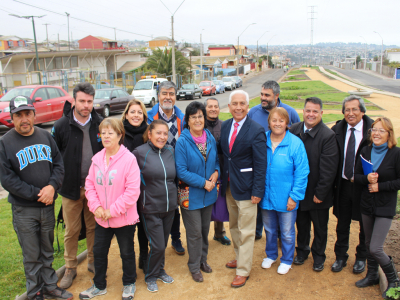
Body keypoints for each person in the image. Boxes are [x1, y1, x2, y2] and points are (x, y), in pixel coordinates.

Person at [0, 96, 72, 300]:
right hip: (24, 209)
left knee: (47, 250)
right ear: (12, 118)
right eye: (19, 115)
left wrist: (52, 187)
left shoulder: (45, 136)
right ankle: (34, 293)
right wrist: (38, 194)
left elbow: (58, 164)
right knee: (31, 255)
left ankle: (50, 286)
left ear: (34, 114)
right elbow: (8, 180)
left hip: (47, 206)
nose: (24, 119)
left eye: (27, 113)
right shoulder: (5, 143)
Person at [80, 118, 140, 300]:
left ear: (119, 135)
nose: (106, 136)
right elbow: (89, 184)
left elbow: (132, 192)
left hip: (123, 218)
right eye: (103, 133)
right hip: (101, 218)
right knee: (98, 252)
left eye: (110, 133)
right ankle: (99, 285)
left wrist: (111, 211)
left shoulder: (129, 160)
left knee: (126, 252)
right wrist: (96, 206)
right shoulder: (97, 158)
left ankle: (129, 284)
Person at [52, 82, 103, 289]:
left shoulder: (99, 123)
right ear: (74, 100)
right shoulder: (61, 125)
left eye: (89, 101)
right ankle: (70, 267)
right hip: (70, 188)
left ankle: (91, 260)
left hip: (94, 189)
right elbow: (54, 157)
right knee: (72, 230)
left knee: (92, 227)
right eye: (82, 101)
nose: (86, 105)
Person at [220, 90, 267, 288]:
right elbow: (225, 157)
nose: (238, 107)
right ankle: (240, 258)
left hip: (248, 189)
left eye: (242, 104)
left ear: (248, 106)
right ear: (229, 106)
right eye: (235, 104)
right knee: (233, 227)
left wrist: (257, 190)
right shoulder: (225, 126)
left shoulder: (256, 130)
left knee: (247, 230)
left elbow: (260, 163)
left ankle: (243, 270)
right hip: (230, 186)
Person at [290, 97, 339, 271]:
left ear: (321, 113)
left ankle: (318, 256)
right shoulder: (294, 130)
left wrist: (321, 193)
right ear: (302, 111)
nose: (311, 114)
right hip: (299, 191)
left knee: (319, 227)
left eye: (315, 111)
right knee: (301, 225)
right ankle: (302, 251)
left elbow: (329, 169)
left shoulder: (327, 136)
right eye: (308, 110)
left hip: (317, 192)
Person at [354, 117, 400, 298]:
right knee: (367, 243)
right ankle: (372, 275)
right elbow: (355, 176)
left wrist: (381, 186)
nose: (377, 133)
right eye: (374, 129)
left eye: (382, 130)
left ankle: (394, 280)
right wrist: (366, 180)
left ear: (389, 134)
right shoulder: (365, 150)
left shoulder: (396, 153)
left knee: (376, 248)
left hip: (385, 207)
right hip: (367, 204)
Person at [248, 80, 300, 239]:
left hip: (282, 170)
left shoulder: (290, 113)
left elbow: (296, 141)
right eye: (262, 94)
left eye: (267, 95)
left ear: (277, 96)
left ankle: (280, 239)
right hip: (257, 169)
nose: (262, 98)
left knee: (279, 207)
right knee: (259, 205)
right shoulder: (253, 112)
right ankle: (257, 233)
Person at [260, 107, 309, 275]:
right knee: (270, 230)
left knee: (287, 232)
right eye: (274, 120)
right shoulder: (263, 140)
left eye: (281, 120)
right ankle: (271, 255)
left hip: (286, 197)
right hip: (266, 197)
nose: (277, 124)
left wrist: (294, 196)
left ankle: (287, 260)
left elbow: (302, 173)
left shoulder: (295, 143)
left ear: (287, 123)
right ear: (269, 123)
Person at [175, 101, 220, 283]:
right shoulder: (183, 142)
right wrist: (204, 183)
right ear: (187, 120)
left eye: (200, 116)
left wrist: (216, 173)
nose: (197, 120)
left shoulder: (209, 136)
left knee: (204, 229)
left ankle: (203, 260)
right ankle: (194, 266)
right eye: (193, 117)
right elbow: (182, 171)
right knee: (194, 233)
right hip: (190, 196)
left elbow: (216, 161)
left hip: (208, 194)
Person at [133, 120, 177, 293]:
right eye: (158, 133)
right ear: (149, 134)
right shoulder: (139, 153)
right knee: (157, 245)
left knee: (163, 243)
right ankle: (151, 276)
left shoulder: (171, 151)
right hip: (150, 207)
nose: (162, 137)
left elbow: (174, 176)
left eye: (165, 134)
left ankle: (160, 270)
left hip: (170, 206)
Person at [331, 95, 374, 274]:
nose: (350, 113)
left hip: (364, 187)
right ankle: (340, 256)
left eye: (354, 109)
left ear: (362, 111)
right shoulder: (336, 130)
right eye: (347, 110)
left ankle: (361, 258)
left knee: (365, 224)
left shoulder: (373, 131)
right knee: (342, 222)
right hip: (343, 185)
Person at [147, 80, 185, 255]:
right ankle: (154, 242)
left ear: (175, 97)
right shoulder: (149, 117)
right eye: (164, 93)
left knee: (174, 205)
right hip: (156, 168)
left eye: (171, 94)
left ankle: (175, 238)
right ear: (158, 96)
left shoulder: (182, 118)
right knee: (157, 204)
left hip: (177, 169)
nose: (168, 97)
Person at [121, 99, 149, 270]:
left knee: (143, 226)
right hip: (123, 188)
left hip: (144, 186)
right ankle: (128, 261)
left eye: (140, 112)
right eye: (133, 112)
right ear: (126, 114)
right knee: (127, 227)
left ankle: (144, 257)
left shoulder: (148, 133)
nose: (136, 115)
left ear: (144, 116)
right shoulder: (120, 133)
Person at [204, 97, 231, 246]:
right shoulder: (200, 126)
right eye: (210, 106)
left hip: (222, 171)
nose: (213, 109)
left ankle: (219, 234)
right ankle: (203, 235)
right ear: (205, 109)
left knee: (221, 204)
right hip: (204, 172)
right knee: (205, 205)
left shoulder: (225, 125)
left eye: (216, 106)